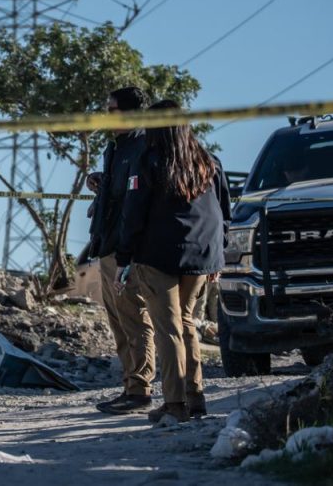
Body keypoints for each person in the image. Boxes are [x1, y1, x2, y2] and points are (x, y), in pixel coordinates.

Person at [115, 99, 231, 425]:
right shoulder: (210, 162)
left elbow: (133, 214)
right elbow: (224, 211)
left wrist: (124, 257)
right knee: (186, 323)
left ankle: (174, 404)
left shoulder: (148, 160)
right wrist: (218, 252)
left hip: (159, 255)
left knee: (167, 330)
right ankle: (196, 399)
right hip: (202, 255)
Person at [87, 86, 156, 414]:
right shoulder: (117, 147)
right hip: (108, 245)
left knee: (134, 317)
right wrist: (102, 180)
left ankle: (141, 387)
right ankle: (130, 385)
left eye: (111, 109)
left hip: (127, 251)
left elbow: (139, 201)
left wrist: (129, 253)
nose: (106, 114)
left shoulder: (144, 146)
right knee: (118, 319)